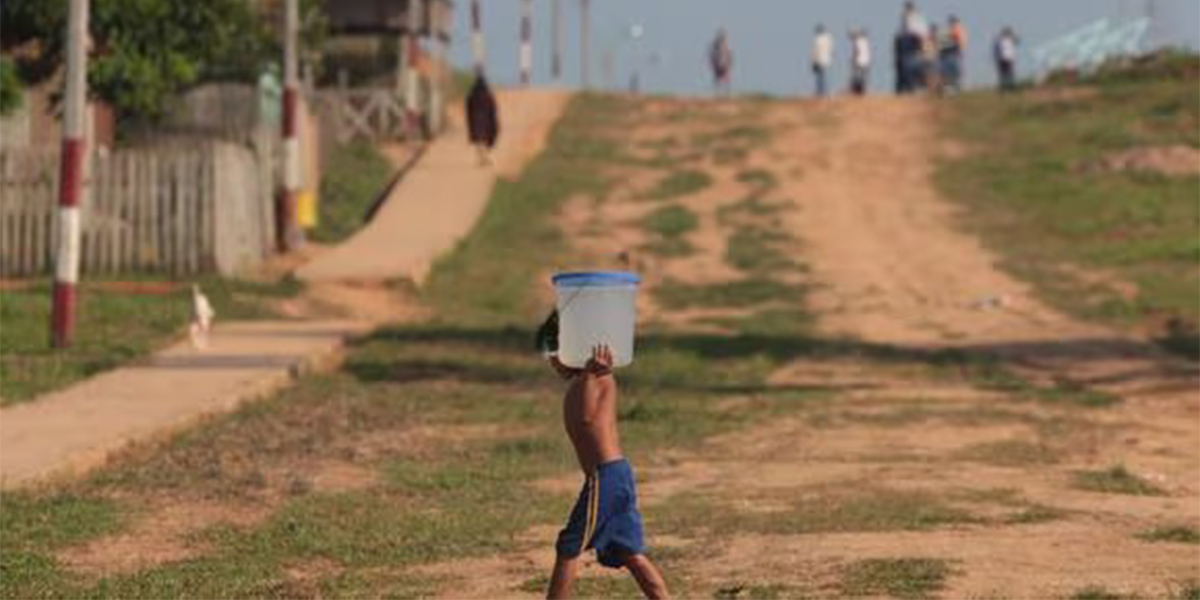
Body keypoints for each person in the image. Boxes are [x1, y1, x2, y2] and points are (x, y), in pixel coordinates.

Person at [541, 342, 670, 600]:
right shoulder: (586, 379)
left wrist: (590, 375)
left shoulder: (600, 376)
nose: (553, 362)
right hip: (612, 476)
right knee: (629, 553)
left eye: (556, 355)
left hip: (606, 477)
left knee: (568, 546)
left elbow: (587, 418)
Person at [465, 72, 499, 166]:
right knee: (485, 141)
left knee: (479, 142)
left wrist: (470, 121)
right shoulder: (488, 95)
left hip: (475, 121)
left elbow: (468, 109)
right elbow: (493, 110)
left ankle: (481, 159)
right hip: (487, 121)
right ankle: (485, 158)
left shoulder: (471, 95)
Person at [941, 15, 967, 93]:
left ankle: (955, 87)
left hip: (955, 52)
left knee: (954, 71)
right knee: (953, 71)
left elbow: (959, 41)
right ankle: (953, 87)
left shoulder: (955, 30)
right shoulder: (955, 30)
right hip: (954, 52)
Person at [811, 24, 834, 98]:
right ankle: (824, 91)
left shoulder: (818, 39)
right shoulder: (829, 38)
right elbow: (831, 49)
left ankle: (820, 91)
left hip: (819, 59)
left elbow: (815, 50)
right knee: (823, 75)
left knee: (820, 76)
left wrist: (813, 60)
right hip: (826, 59)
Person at [994, 27, 1019, 92]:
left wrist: (996, 58)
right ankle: (1009, 87)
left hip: (1002, 59)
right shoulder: (1007, 40)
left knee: (1004, 74)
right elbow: (1017, 41)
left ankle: (1005, 87)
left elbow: (995, 50)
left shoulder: (999, 40)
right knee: (1008, 74)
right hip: (1007, 58)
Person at [709, 29, 733, 96]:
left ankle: (726, 92)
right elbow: (712, 56)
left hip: (723, 64)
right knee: (718, 79)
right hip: (719, 64)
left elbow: (729, 57)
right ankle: (718, 92)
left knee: (724, 78)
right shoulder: (716, 46)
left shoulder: (725, 46)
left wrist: (728, 64)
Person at [849, 29, 871, 96]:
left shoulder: (857, 41)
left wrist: (853, 60)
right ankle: (862, 89)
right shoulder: (866, 41)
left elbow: (856, 52)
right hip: (866, 61)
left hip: (858, 61)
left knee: (856, 76)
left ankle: (857, 90)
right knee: (863, 77)